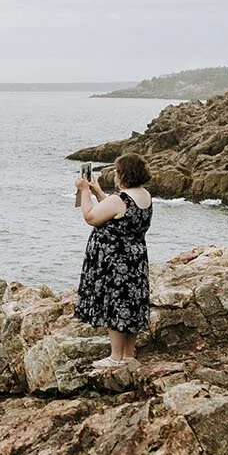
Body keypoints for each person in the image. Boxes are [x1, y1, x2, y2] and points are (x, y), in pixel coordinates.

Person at [74, 153, 154, 368]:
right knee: (132, 302)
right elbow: (115, 211)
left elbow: (91, 217)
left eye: (118, 172)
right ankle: (128, 356)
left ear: (124, 174)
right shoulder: (144, 195)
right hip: (134, 258)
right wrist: (98, 191)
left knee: (116, 304)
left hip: (115, 260)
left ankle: (115, 357)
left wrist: (83, 191)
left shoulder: (121, 199)